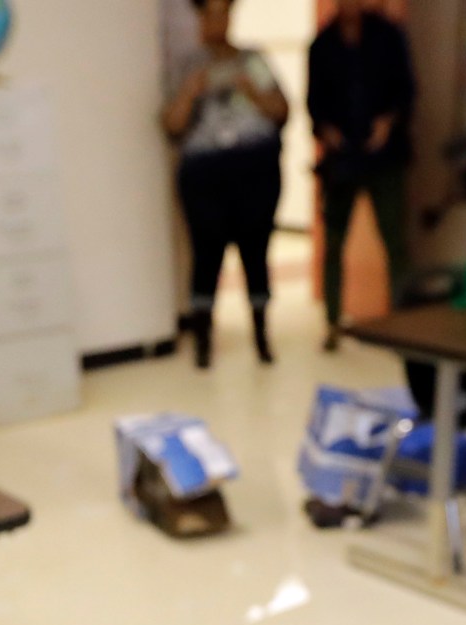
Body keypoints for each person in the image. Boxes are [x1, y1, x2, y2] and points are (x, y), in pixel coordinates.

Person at [164, 0, 291, 368]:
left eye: (223, 13)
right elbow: (171, 125)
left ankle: (262, 335)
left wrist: (253, 91)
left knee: (256, 253)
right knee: (206, 256)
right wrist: (192, 91)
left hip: (254, 167)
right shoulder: (188, 66)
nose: (216, 22)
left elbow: (282, 110)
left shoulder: (251, 60)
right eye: (209, 14)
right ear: (200, 19)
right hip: (205, 172)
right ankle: (203, 339)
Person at [308, 0, 417, 350]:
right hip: (342, 160)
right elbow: (314, 102)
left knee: (394, 242)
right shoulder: (322, 45)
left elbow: (406, 90)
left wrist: (388, 122)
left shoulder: (387, 36)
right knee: (334, 242)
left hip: (384, 158)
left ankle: (401, 320)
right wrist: (326, 130)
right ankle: (332, 322)